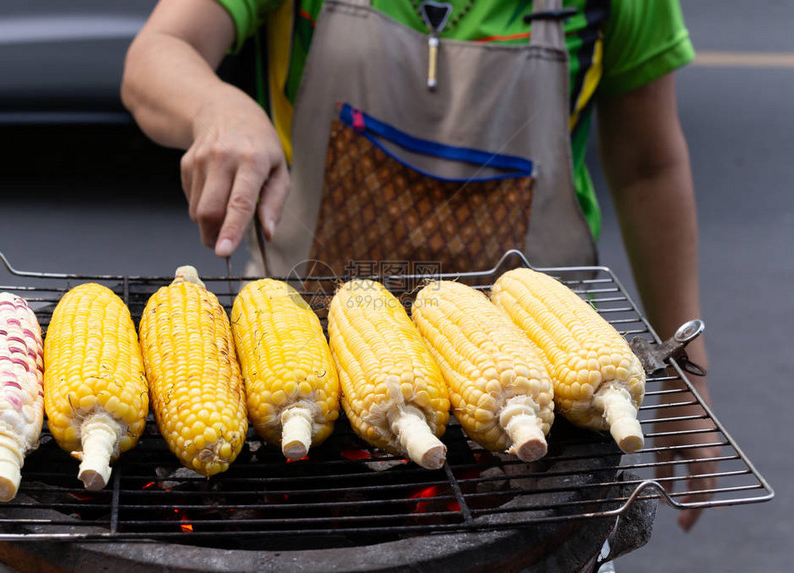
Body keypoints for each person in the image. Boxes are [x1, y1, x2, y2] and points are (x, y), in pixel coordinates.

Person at [121, 0, 718, 532]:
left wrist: (689, 382)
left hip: (550, 406)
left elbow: (650, 166)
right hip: (311, 351)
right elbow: (158, 52)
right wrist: (216, 104)